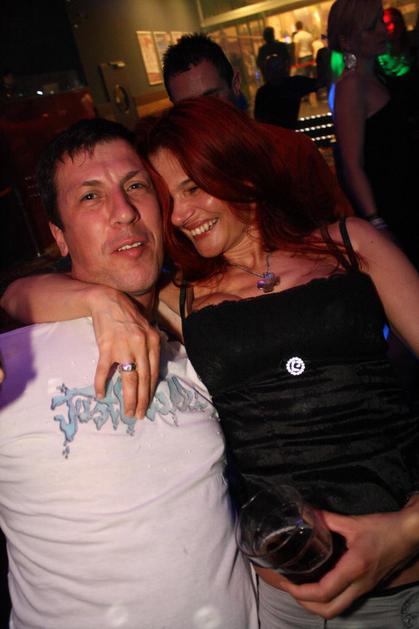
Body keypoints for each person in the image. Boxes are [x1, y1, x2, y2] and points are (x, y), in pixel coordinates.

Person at [4, 98, 419, 628]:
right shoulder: (180, 301)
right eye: (168, 197)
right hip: (289, 603)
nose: (179, 215)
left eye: (191, 187)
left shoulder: (346, 244)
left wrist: (405, 531)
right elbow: (23, 293)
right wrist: (93, 300)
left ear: (238, 170)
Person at [0, 117, 258, 629]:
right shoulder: (15, 356)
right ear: (59, 236)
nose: (124, 212)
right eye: (90, 197)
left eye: (136, 186)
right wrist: (95, 300)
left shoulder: (200, 337)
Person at [161, 32, 353, 219]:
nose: (202, 114)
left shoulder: (291, 150)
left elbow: (338, 220)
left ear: (235, 85)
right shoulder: (175, 174)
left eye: (211, 98)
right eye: (188, 107)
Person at [327, 0, 419, 269]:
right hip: (396, 206)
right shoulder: (351, 87)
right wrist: (377, 221)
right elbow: (352, 164)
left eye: (380, 20)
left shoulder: (376, 76)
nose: (382, 29)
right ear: (346, 40)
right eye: (371, 27)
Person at [254, 52, 319, 129]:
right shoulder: (294, 83)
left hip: (273, 133)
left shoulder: (263, 92)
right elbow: (319, 83)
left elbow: (258, 118)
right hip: (287, 131)